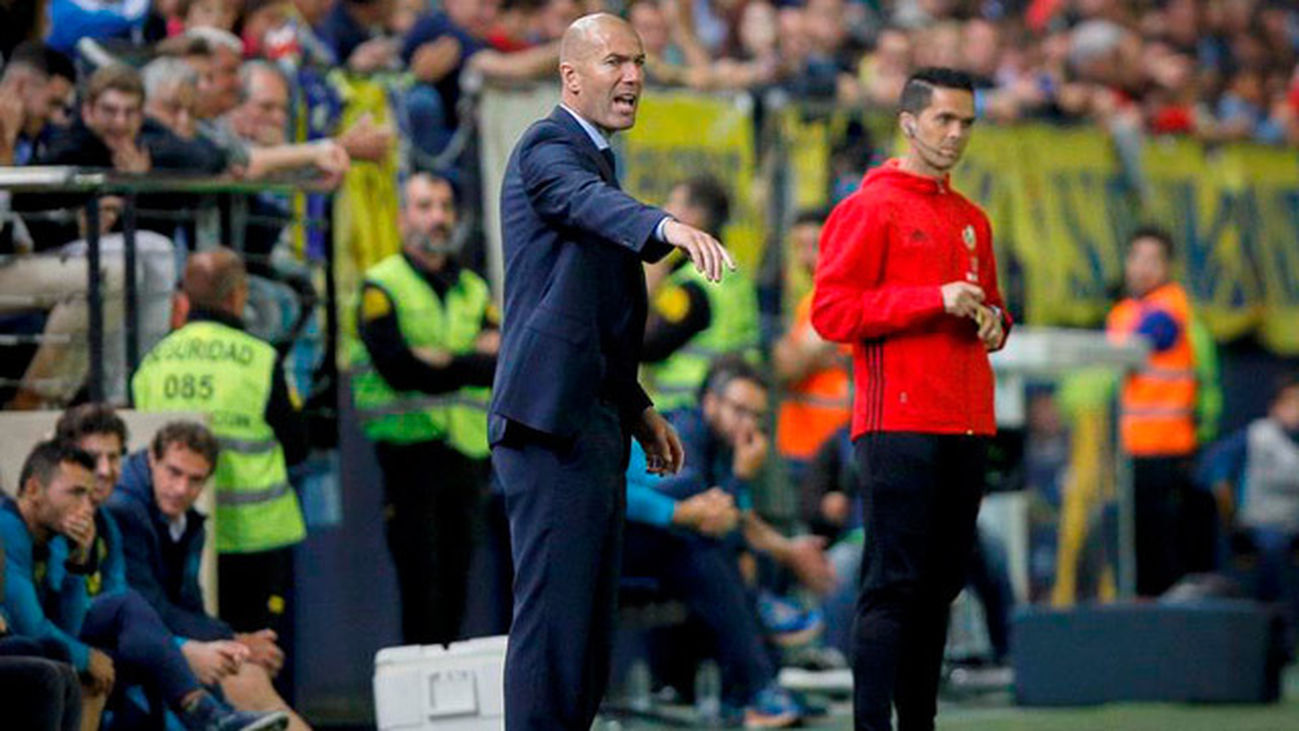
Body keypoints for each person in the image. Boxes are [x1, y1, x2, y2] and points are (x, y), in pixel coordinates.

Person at [490, 12, 734, 729]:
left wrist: (635, 407)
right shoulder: (547, 146)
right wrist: (666, 227)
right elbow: (585, 203)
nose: (631, 77)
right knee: (554, 628)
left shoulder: (597, 159)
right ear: (570, 76)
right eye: (613, 63)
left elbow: (590, 317)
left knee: (587, 633)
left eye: (638, 64)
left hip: (589, 421)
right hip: (547, 426)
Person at [812, 67, 1010, 731]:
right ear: (907, 121)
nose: (954, 135)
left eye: (965, 123)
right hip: (896, 419)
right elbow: (831, 313)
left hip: (965, 421)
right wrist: (932, 300)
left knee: (939, 588)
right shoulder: (865, 208)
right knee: (893, 583)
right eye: (942, 120)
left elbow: (997, 311)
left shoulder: (971, 220)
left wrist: (994, 323)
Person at [0, 440, 287, 731]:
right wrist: (87, 657)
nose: (86, 507)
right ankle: (209, 717)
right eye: (75, 493)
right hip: (18, 652)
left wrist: (78, 564)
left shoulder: (59, 534)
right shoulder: (6, 529)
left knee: (130, 614)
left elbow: (70, 624)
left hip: (49, 647)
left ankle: (209, 715)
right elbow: (31, 628)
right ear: (34, 490)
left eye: (88, 494)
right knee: (126, 658)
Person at [624, 357, 835, 726]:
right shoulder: (686, 431)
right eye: (740, 410)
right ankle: (757, 684)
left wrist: (785, 551)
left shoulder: (724, 444)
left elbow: (739, 519)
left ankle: (760, 686)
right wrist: (739, 477)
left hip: (679, 541)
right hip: (631, 540)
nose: (749, 424)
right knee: (706, 541)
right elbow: (707, 512)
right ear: (710, 402)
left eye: (757, 416)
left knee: (753, 552)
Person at [131, 250, 308, 676]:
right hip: (256, 540)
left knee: (206, 662)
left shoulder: (152, 364)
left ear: (183, 299)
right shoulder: (261, 360)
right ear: (239, 296)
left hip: (180, 540)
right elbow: (298, 445)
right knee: (265, 660)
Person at [349, 172, 498, 645]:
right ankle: (420, 709)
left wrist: (439, 357)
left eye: (445, 206)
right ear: (401, 217)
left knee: (457, 584)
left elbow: (501, 361)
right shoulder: (381, 285)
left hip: (468, 452)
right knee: (420, 585)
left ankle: (452, 708)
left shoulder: (473, 288)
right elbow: (400, 369)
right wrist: (468, 356)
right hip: (409, 450)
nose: (437, 217)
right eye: (424, 205)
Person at [107, 421, 312, 730]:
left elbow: (189, 605)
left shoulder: (186, 521)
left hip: (157, 638)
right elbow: (148, 607)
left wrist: (232, 642)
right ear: (152, 459)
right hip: (127, 641)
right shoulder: (123, 510)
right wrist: (234, 640)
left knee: (247, 673)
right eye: (174, 472)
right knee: (243, 677)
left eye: (195, 480)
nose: (181, 489)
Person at [1105, 226, 1200, 597]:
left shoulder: (1171, 304)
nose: (1143, 268)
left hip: (1167, 449)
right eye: (1137, 258)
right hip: (1129, 451)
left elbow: (1153, 335)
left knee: (1161, 543)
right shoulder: (1122, 312)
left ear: (1167, 267)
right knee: (1135, 541)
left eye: (1153, 260)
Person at [641, 175, 760, 413]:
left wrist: (650, 280)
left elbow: (646, 345)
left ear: (696, 216)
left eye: (673, 203)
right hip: (727, 408)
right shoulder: (733, 271)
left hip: (687, 407)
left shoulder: (692, 285)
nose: (665, 211)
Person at [772, 209, 852, 483]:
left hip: (829, 447)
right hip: (809, 443)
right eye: (799, 247)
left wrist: (786, 351)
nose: (806, 257)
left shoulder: (836, 296)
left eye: (815, 246)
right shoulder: (811, 298)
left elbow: (787, 368)